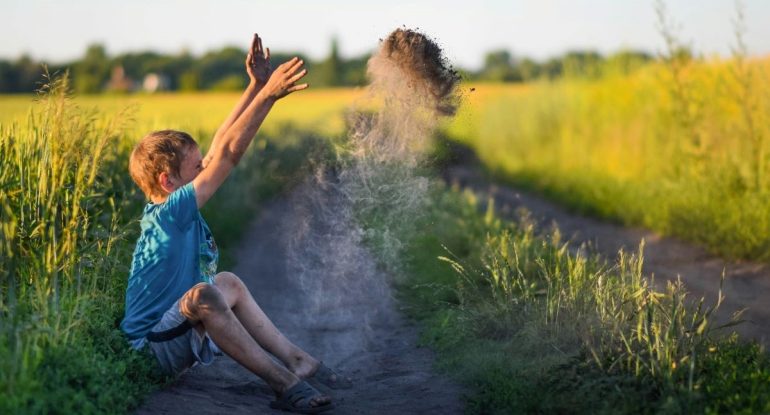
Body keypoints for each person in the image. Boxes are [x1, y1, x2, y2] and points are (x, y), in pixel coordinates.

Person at [120, 34, 349, 414]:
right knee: (204, 296)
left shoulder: (175, 206)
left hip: (170, 334)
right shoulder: (171, 214)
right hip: (151, 349)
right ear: (168, 181)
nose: (205, 170)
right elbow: (228, 153)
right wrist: (269, 97)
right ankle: (284, 383)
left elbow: (216, 149)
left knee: (227, 283)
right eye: (196, 169)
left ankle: (298, 361)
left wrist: (255, 86)